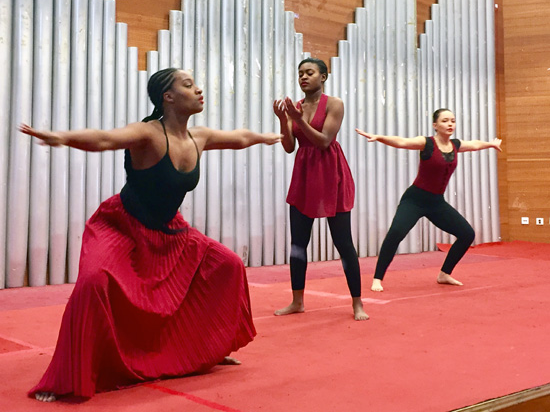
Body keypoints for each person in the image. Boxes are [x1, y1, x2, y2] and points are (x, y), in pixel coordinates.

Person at [21, 68, 281, 402]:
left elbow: (240, 137)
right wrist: (63, 138)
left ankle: (210, 349)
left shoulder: (198, 137)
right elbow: (103, 138)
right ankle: (66, 376)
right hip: (122, 226)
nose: (199, 89)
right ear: (168, 97)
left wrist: (270, 136)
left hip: (171, 231)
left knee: (228, 265)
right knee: (93, 282)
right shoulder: (148, 133)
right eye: (189, 85)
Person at [356, 108, 502, 292]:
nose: (450, 124)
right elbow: (402, 142)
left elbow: (474, 144)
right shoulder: (426, 143)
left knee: (467, 234)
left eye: (453, 121)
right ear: (435, 125)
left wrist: (490, 144)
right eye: (445, 121)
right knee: (396, 233)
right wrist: (379, 137)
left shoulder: (456, 145)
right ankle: (377, 278)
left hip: (436, 202)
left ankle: (444, 274)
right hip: (415, 200)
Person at [272, 58, 368, 321]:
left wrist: (298, 120)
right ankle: (297, 301)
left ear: (323, 77)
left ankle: (357, 303)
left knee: (343, 242)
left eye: (310, 72)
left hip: (330, 174)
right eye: (300, 73)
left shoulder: (334, 103)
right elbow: (290, 146)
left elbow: (325, 141)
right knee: (298, 243)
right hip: (304, 175)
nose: (303, 77)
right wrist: (284, 120)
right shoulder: (297, 107)